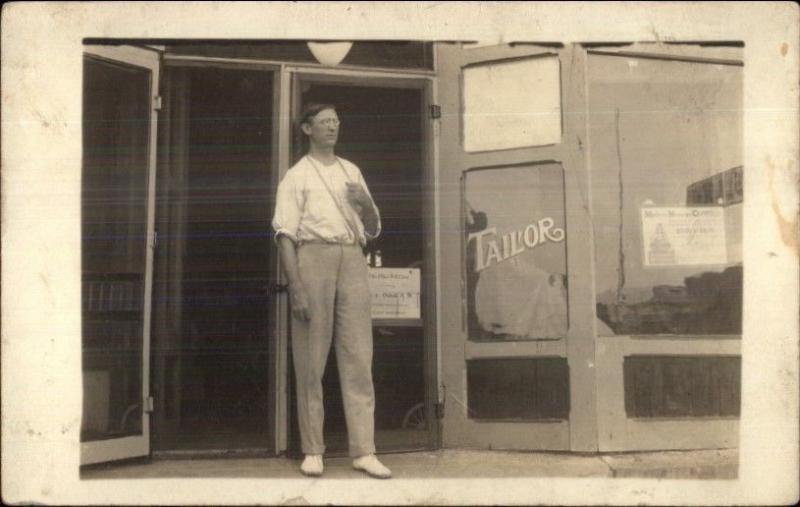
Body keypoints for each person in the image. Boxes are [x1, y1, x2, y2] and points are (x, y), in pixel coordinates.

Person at [271, 103, 392, 479]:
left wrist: (365, 205)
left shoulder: (351, 170)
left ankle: (364, 450)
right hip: (313, 258)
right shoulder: (296, 176)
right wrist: (297, 287)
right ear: (307, 129)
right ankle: (313, 449)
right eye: (324, 122)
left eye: (336, 121)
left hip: (352, 258)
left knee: (359, 354)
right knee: (311, 359)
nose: (332, 127)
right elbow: (284, 235)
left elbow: (373, 228)